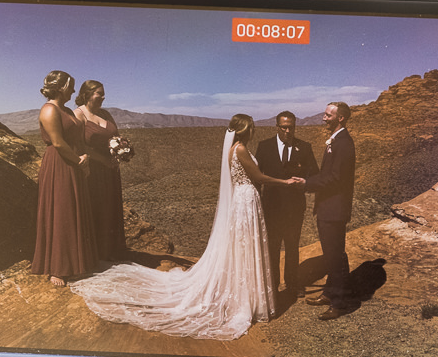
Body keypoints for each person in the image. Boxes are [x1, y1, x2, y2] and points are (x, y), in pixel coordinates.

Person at [71, 114, 297, 339]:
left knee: (242, 247)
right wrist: (285, 182)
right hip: (246, 198)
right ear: (244, 130)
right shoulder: (239, 149)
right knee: (245, 246)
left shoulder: (234, 148)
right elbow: (257, 176)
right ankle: (247, 298)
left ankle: (245, 294)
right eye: (251, 128)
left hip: (244, 199)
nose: (253, 131)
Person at [32, 70, 95, 286]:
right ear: (61, 87)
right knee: (61, 210)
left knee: (72, 208)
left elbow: (76, 137)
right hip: (59, 163)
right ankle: (57, 268)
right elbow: (57, 143)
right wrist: (79, 161)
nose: (74, 91)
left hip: (73, 161)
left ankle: (75, 263)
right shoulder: (49, 110)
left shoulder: (66, 109)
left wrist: (83, 155)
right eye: (71, 86)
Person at [299, 102, 359, 320]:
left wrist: (307, 183)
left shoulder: (343, 143)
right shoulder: (337, 139)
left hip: (334, 209)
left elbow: (335, 177)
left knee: (335, 256)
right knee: (332, 254)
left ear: (340, 118)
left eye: (327, 115)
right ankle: (329, 293)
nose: (323, 118)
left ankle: (339, 302)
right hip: (328, 208)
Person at [252, 111, 315, 297]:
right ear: (277, 127)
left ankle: (293, 284)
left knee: (292, 246)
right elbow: (257, 176)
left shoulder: (304, 147)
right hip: (271, 208)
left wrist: (303, 181)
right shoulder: (264, 147)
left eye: (291, 127)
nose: (288, 131)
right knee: (272, 247)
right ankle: (272, 285)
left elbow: (314, 174)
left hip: (294, 208)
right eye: (284, 127)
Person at [73, 79, 128, 264]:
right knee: (97, 208)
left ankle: (111, 251)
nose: (103, 97)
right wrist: (102, 159)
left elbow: (117, 137)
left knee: (111, 206)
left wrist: (121, 150)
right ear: (87, 94)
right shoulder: (79, 115)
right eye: (99, 93)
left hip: (111, 170)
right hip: (93, 171)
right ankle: (96, 254)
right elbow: (79, 145)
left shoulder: (106, 114)